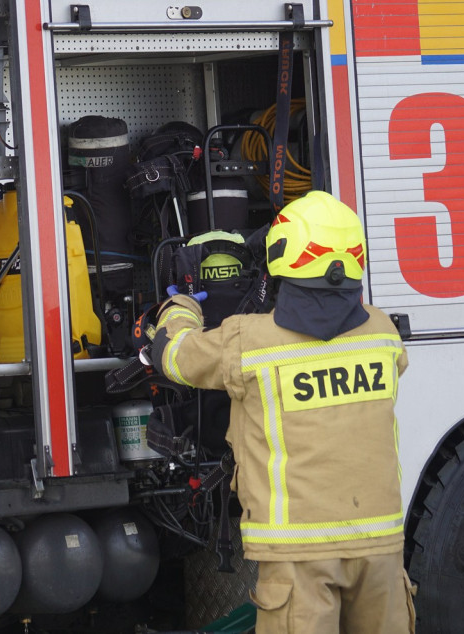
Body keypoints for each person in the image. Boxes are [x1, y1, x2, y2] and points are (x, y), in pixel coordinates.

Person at [149, 191, 415, 633]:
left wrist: (179, 309)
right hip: (380, 548)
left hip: (298, 556)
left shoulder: (247, 342)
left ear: (282, 259)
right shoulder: (383, 333)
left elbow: (176, 358)